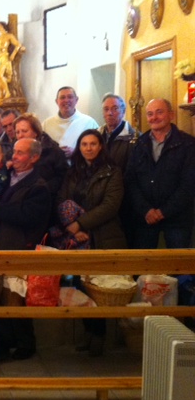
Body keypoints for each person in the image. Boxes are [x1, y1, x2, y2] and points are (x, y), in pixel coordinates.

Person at [0, 138, 52, 360]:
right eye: (14, 152)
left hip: (21, 247)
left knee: (16, 296)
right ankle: (5, 342)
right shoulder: (8, 176)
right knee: (3, 295)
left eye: (20, 153)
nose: (14, 157)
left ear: (34, 157)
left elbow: (26, 215)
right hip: (2, 244)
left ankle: (25, 344)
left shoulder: (39, 186)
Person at [55, 129, 126, 356]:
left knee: (99, 287)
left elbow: (110, 205)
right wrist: (72, 228)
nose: (88, 148)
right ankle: (89, 331)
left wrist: (81, 224)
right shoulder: (73, 172)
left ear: (101, 146)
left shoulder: (112, 172)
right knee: (79, 285)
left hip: (102, 235)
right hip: (76, 237)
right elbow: (62, 199)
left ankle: (100, 335)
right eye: (84, 144)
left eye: (93, 144)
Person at [126, 98, 195, 249]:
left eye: (159, 112)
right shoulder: (140, 145)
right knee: (144, 268)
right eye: (150, 114)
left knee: (178, 267)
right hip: (145, 218)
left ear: (171, 115)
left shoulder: (188, 144)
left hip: (178, 218)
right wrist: (146, 210)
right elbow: (131, 182)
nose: (154, 117)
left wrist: (164, 211)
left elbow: (189, 184)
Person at [98, 93, 139, 246]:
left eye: (115, 108)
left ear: (123, 111)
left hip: (124, 200)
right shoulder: (96, 136)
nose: (110, 113)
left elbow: (134, 173)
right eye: (106, 109)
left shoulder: (134, 138)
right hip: (99, 199)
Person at [14, 112, 68, 196]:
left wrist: (43, 189)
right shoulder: (15, 150)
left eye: (24, 131)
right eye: (17, 132)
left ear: (36, 132)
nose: (20, 135)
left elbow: (63, 177)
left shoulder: (53, 151)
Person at [42, 86, 99, 159]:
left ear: (76, 100)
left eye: (70, 97)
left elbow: (97, 150)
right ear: (57, 101)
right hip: (53, 168)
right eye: (62, 97)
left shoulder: (89, 122)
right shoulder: (46, 124)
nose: (66, 100)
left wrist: (76, 152)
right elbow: (41, 150)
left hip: (80, 167)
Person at [0, 22, 24, 100]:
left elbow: (18, 45)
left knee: (0, 75)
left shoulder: (9, 36)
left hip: (4, 56)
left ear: (3, 26)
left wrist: (13, 54)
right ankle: (1, 94)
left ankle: (7, 92)